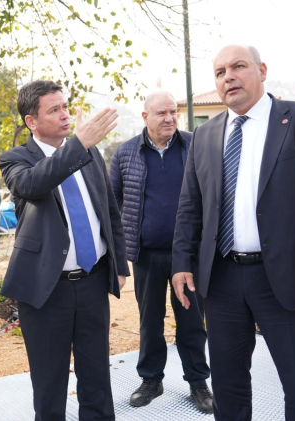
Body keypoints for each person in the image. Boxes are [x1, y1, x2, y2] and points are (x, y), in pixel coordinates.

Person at [171, 45, 295, 420]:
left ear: (262, 70)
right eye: (220, 72)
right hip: (221, 280)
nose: (228, 77)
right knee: (227, 388)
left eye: (238, 66)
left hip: (289, 277)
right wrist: (181, 262)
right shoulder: (204, 135)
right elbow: (190, 205)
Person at [0, 79, 129, 420]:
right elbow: (34, 184)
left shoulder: (89, 153)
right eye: (54, 110)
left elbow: (108, 210)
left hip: (93, 282)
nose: (65, 115)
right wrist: (79, 144)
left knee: (97, 377)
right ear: (31, 121)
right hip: (46, 290)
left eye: (65, 107)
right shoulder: (15, 159)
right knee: (49, 384)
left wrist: (119, 264)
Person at [110, 90, 212, 412]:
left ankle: (198, 382)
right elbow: (113, 200)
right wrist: (126, 235)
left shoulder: (195, 145)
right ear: (145, 117)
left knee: (192, 321)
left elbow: (211, 192)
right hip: (147, 255)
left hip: (189, 255)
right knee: (150, 320)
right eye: (161, 113)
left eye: (173, 111)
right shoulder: (125, 152)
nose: (169, 118)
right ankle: (151, 380)